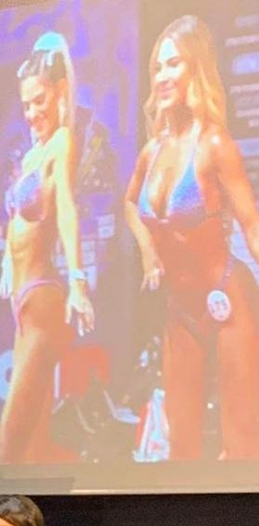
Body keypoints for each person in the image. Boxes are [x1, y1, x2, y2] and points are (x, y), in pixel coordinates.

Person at [125, 14, 259, 460]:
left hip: (228, 300)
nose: (163, 76)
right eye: (157, 67)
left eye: (174, 64)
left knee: (242, 445)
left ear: (195, 68)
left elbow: (251, 224)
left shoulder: (214, 144)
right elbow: (130, 204)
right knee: (181, 452)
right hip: (179, 311)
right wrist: (148, 252)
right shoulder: (152, 152)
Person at [0, 33, 93, 463]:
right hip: (22, 304)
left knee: (9, 442)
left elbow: (67, 208)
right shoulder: (32, 154)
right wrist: (5, 262)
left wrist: (78, 281)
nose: (33, 112)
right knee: (31, 448)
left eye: (40, 101)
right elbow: (16, 220)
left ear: (60, 92)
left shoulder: (62, 142)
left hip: (43, 298)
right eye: (26, 105)